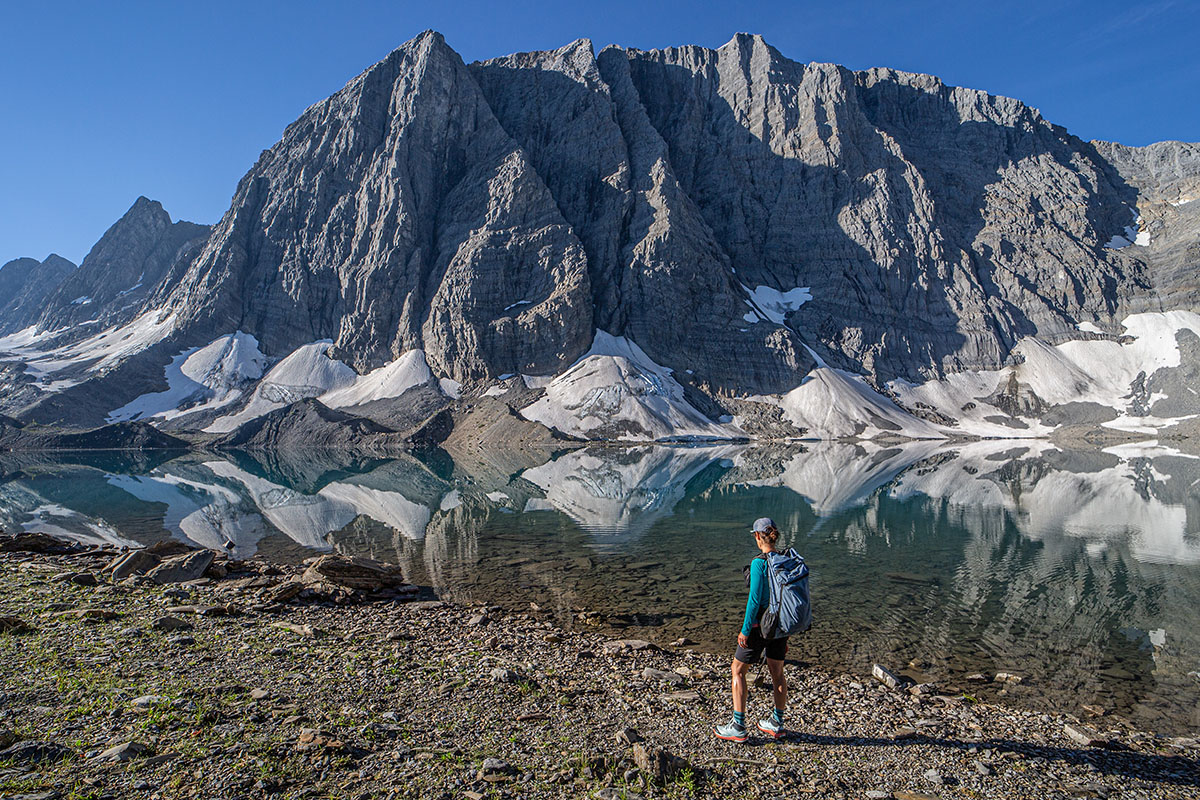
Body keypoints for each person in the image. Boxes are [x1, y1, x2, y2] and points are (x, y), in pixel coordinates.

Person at [714, 517, 788, 742]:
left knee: (737, 670)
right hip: (781, 625)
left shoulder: (759, 563)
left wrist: (745, 630)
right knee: (777, 672)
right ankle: (777, 723)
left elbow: (754, 601)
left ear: (758, 536)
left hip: (759, 627)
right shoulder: (785, 559)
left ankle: (738, 725)